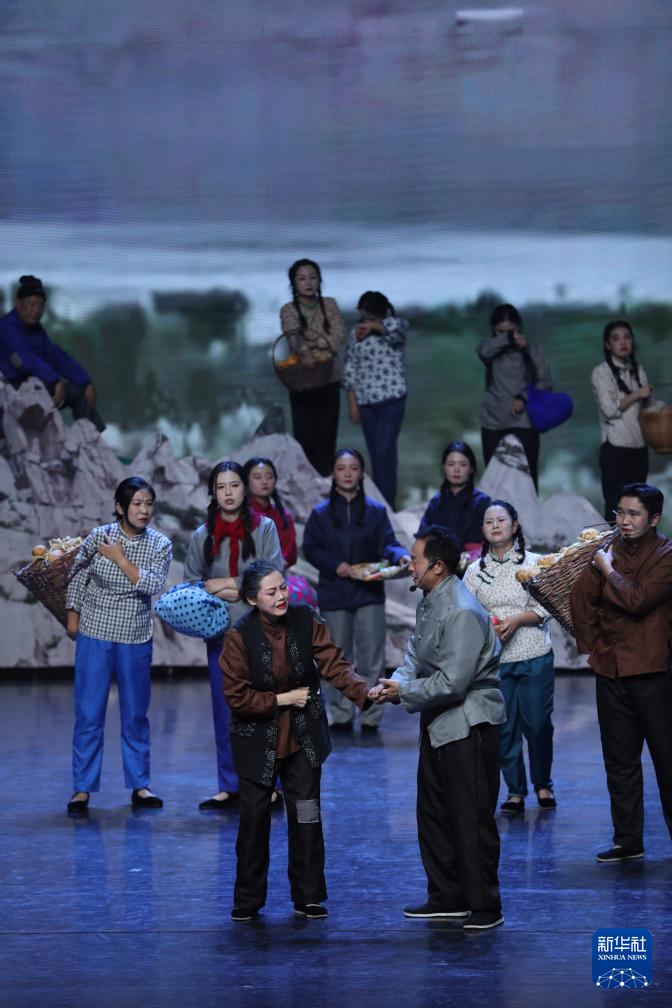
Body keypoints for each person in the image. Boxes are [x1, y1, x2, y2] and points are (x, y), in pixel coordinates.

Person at [221, 560, 376, 921]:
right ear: (252, 599)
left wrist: (365, 692)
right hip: (256, 743)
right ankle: (247, 899)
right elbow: (237, 696)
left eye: (283, 588)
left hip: (303, 740)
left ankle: (308, 896)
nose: (281, 596)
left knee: (306, 815)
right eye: (271, 592)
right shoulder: (239, 637)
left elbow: (334, 663)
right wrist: (282, 699)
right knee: (254, 821)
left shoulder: (306, 619)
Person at [371, 526, 505, 930]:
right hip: (439, 720)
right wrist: (395, 682)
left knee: (470, 816)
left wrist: (404, 693)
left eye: (415, 560)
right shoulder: (430, 601)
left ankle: (485, 904)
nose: (409, 566)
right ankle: (447, 895)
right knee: (433, 812)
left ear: (438, 567)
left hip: (469, 723)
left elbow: (453, 682)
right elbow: (415, 655)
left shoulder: (461, 610)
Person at [570, 483, 672, 863]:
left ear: (654, 519)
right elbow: (580, 599)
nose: (624, 521)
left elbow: (637, 600)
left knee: (666, 761)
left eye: (633, 514)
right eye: (620, 512)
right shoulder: (607, 550)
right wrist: (594, 645)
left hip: (653, 671)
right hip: (611, 669)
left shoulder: (666, 556)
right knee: (619, 759)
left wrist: (607, 570)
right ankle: (628, 840)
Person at [64, 477, 172, 813]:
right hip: (95, 631)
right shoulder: (99, 535)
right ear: (120, 507)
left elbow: (151, 584)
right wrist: (72, 616)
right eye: (136, 504)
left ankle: (140, 786)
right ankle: (82, 788)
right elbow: (77, 576)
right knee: (88, 712)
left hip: (134, 635)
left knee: (135, 713)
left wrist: (121, 559)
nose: (143, 510)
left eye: (148, 504)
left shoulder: (160, 544)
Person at [184, 461, 283, 811]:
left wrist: (225, 585)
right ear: (213, 493)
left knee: (264, 709)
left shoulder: (265, 528)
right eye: (221, 487)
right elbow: (193, 584)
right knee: (224, 710)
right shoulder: (202, 535)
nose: (228, 493)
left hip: (261, 632)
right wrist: (236, 588)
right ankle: (229, 785)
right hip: (221, 634)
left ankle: (270, 784)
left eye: (234, 485)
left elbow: (272, 578)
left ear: (245, 488)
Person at [302, 448, 410, 731]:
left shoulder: (375, 511)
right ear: (333, 473)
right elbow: (310, 548)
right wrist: (335, 565)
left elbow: (388, 543)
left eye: (353, 468)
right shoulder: (321, 513)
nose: (347, 473)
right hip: (335, 593)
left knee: (372, 659)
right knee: (337, 659)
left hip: (369, 594)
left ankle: (371, 715)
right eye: (341, 468)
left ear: (361, 473)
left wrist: (400, 555)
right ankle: (341, 715)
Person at [464, 500, 555, 814]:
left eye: (501, 520)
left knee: (539, 726)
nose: (495, 525)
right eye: (489, 521)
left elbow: (549, 605)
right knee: (504, 729)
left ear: (514, 525)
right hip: (494, 660)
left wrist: (518, 620)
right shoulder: (475, 571)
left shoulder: (535, 563)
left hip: (534, 653)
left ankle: (543, 784)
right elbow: (466, 614)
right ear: (482, 529)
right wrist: (486, 627)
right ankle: (515, 791)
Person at [0, 274, 105, 431]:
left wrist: (85, 381)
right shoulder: (6, 327)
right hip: (12, 390)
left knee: (79, 392)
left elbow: (56, 356)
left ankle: (91, 438)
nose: (37, 311)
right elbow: (24, 360)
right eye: (32, 305)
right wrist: (55, 381)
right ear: (19, 304)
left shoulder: (36, 330)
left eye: (41, 306)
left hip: (37, 385)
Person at [279, 259, 346, 476]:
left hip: (330, 377)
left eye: (313, 277)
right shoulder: (288, 310)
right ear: (293, 283)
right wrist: (308, 349)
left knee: (327, 436)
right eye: (302, 278)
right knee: (305, 436)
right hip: (303, 381)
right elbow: (294, 339)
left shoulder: (330, 304)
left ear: (319, 280)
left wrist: (315, 343)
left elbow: (339, 335)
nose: (308, 283)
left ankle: (324, 483)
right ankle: (306, 483)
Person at [343, 291, 409, 509]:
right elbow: (350, 368)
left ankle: (387, 507)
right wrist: (352, 403)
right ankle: (379, 505)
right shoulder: (356, 333)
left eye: (370, 317)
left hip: (391, 400)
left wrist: (374, 326)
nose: (365, 321)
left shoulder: (395, 325)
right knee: (376, 456)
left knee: (384, 453)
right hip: (366, 402)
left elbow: (397, 331)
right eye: (363, 316)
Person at [591, 320, 660, 522]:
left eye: (627, 337)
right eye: (616, 338)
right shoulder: (601, 372)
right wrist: (637, 394)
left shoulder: (637, 369)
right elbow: (610, 409)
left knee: (639, 507)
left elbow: (649, 406)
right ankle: (612, 544)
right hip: (616, 447)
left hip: (639, 444)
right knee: (616, 507)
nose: (623, 342)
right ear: (607, 345)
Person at [476, 303, 551, 489]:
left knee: (527, 482)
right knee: (494, 482)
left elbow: (545, 382)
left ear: (519, 327)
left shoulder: (533, 349)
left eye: (511, 330)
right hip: (493, 421)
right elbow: (482, 350)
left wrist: (524, 397)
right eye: (500, 331)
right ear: (494, 330)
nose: (506, 334)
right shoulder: (491, 350)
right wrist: (508, 339)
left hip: (524, 422)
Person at [243, 456, 317, 606]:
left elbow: (290, 554)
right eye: (257, 477)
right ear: (246, 481)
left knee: (307, 596)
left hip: (277, 575)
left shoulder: (283, 516)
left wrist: (278, 562)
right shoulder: (240, 515)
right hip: (245, 578)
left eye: (269, 477)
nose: (264, 481)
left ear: (275, 480)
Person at [417, 440, 491, 562]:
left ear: (472, 469)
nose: (456, 469)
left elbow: (492, 540)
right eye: (451, 464)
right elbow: (422, 537)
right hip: (440, 565)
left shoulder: (482, 502)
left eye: (463, 465)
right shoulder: (436, 502)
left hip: (473, 565)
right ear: (444, 467)